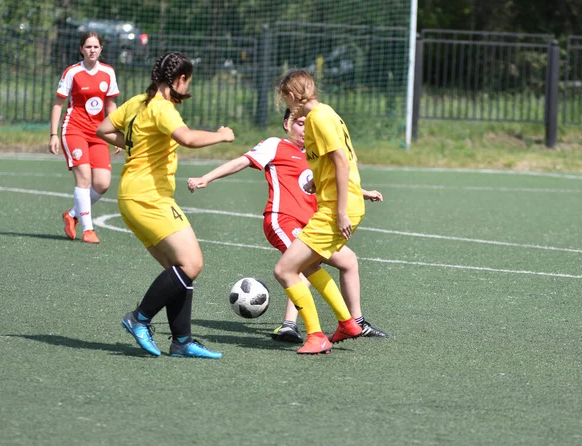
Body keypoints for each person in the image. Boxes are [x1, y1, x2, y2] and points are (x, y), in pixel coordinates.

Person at [187, 109, 388, 344]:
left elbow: (330, 182)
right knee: (304, 264)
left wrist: (363, 193)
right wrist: (206, 178)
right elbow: (240, 162)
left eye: (309, 126)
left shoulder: (315, 155)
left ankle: (358, 322)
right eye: (300, 124)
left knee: (349, 261)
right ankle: (291, 325)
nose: (305, 130)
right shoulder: (274, 145)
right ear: (286, 124)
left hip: (311, 225)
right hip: (282, 219)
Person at [95, 52, 235, 359]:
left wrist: (130, 144)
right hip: (149, 197)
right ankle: (139, 318)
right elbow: (186, 138)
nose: (188, 88)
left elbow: (102, 129)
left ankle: (182, 341)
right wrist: (221, 136)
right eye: (189, 82)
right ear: (179, 79)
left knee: (180, 269)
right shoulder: (162, 108)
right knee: (192, 264)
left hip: (132, 196)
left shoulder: (136, 103)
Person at [269, 69, 370, 355]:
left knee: (285, 269)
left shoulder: (319, 118)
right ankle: (348, 324)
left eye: (284, 100)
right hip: (335, 203)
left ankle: (316, 335)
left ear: (291, 95)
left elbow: (342, 163)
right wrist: (317, 180)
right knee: (309, 265)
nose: (286, 106)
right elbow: (345, 157)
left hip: (337, 208)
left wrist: (340, 213)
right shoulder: (327, 114)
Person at [49, 31, 120, 244]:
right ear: (81, 49)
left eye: (95, 47)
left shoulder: (108, 72)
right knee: (84, 178)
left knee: (102, 183)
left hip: (98, 133)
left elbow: (111, 105)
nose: (92, 50)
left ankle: (72, 215)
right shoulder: (72, 73)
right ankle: (88, 229)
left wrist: (115, 133)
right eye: (88, 47)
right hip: (74, 130)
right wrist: (53, 134)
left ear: (101, 49)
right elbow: (58, 104)